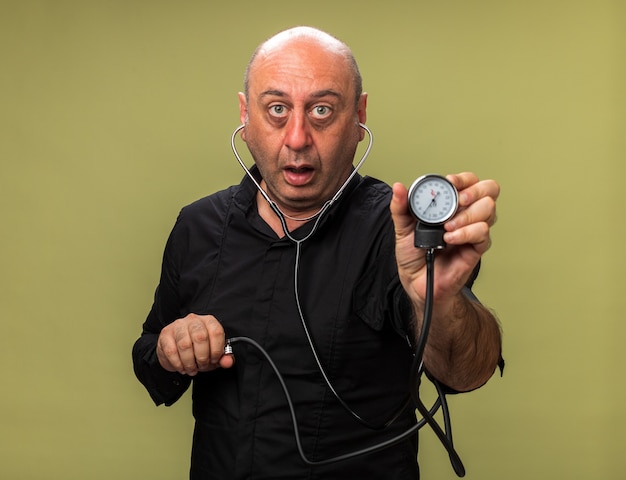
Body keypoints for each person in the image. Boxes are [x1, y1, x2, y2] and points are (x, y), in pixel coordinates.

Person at [132, 26, 503, 480]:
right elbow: (149, 360)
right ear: (246, 118)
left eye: (322, 110)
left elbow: (467, 372)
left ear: (359, 118)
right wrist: (172, 350)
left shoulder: (398, 231)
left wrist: (437, 301)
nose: (297, 138)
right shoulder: (197, 226)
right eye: (277, 110)